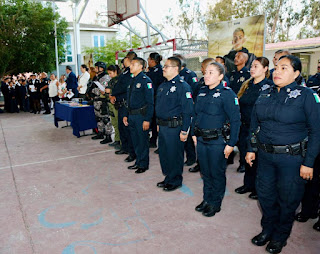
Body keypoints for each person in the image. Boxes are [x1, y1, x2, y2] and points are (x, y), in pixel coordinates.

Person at [247, 55, 320, 253]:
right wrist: (250, 148)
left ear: (296, 73)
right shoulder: (265, 93)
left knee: (288, 200)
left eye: (284, 68)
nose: (277, 71)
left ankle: (280, 237)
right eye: (276, 67)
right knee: (265, 196)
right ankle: (267, 230)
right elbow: (254, 125)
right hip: (266, 157)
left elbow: (316, 131)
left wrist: (309, 162)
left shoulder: (306, 95)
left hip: (292, 160)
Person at [191, 62, 240, 217]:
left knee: (216, 173)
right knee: (205, 172)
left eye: (211, 72)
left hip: (217, 141)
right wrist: (193, 133)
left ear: (220, 76)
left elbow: (235, 120)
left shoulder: (227, 94)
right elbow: (196, 114)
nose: (206, 75)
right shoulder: (202, 92)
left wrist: (231, 143)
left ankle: (215, 203)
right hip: (201, 139)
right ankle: (207, 199)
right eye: (205, 72)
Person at [234, 57, 272, 200]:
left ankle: (258, 188)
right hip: (244, 127)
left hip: (259, 129)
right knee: (246, 156)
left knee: (258, 160)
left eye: (256, 66)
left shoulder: (269, 86)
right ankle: (248, 184)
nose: (252, 68)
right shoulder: (247, 84)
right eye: (252, 66)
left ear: (265, 69)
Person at [155, 56, 194, 192]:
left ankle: (175, 180)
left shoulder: (183, 86)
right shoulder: (163, 85)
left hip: (175, 127)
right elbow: (160, 107)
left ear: (175, 69)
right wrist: (158, 123)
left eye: (166, 66)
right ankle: (168, 177)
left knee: (174, 155)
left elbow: (188, 111)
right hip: (163, 126)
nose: (163, 69)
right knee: (164, 155)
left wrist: (185, 130)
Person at [123, 57, 154, 174]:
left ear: (140, 67)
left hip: (141, 116)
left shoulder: (146, 81)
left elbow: (150, 103)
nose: (130, 66)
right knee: (135, 140)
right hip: (132, 115)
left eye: (133, 64)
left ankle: (143, 164)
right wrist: (126, 114)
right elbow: (128, 99)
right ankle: (138, 161)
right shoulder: (132, 80)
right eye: (130, 64)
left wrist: (147, 119)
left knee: (142, 141)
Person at [189, 57, 215, 173]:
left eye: (203, 67)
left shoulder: (221, 84)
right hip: (200, 119)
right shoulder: (202, 82)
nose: (202, 69)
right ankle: (200, 164)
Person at [112, 52, 137, 163]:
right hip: (120, 102)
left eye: (125, 58)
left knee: (126, 128)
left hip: (126, 103)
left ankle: (130, 150)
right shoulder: (126, 72)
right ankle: (125, 147)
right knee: (121, 127)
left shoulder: (131, 74)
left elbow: (123, 87)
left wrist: (113, 92)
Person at [174, 53, 198, 167]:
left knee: (188, 135)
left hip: (187, 109)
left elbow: (194, 91)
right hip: (177, 110)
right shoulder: (174, 77)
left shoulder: (190, 74)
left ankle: (191, 157)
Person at [146, 52, 165, 149]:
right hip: (155, 99)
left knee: (156, 122)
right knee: (153, 121)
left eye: (149, 59)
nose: (148, 61)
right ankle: (153, 140)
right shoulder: (153, 70)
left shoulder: (157, 71)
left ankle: (155, 141)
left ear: (152, 60)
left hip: (156, 99)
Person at [90, 61, 113, 144]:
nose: (95, 69)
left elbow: (102, 90)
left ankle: (108, 135)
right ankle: (100, 132)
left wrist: (92, 90)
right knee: (98, 118)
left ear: (102, 68)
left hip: (103, 101)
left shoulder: (105, 77)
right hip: (96, 101)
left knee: (105, 119)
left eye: (97, 67)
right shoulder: (97, 77)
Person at [106, 65, 121, 149]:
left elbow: (119, 91)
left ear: (115, 71)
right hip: (110, 103)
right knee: (114, 123)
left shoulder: (119, 80)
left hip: (116, 103)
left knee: (119, 123)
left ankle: (121, 142)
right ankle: (117, 139)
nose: (110, 75)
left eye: (111, 73)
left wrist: (111, 91)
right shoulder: (111, 80)